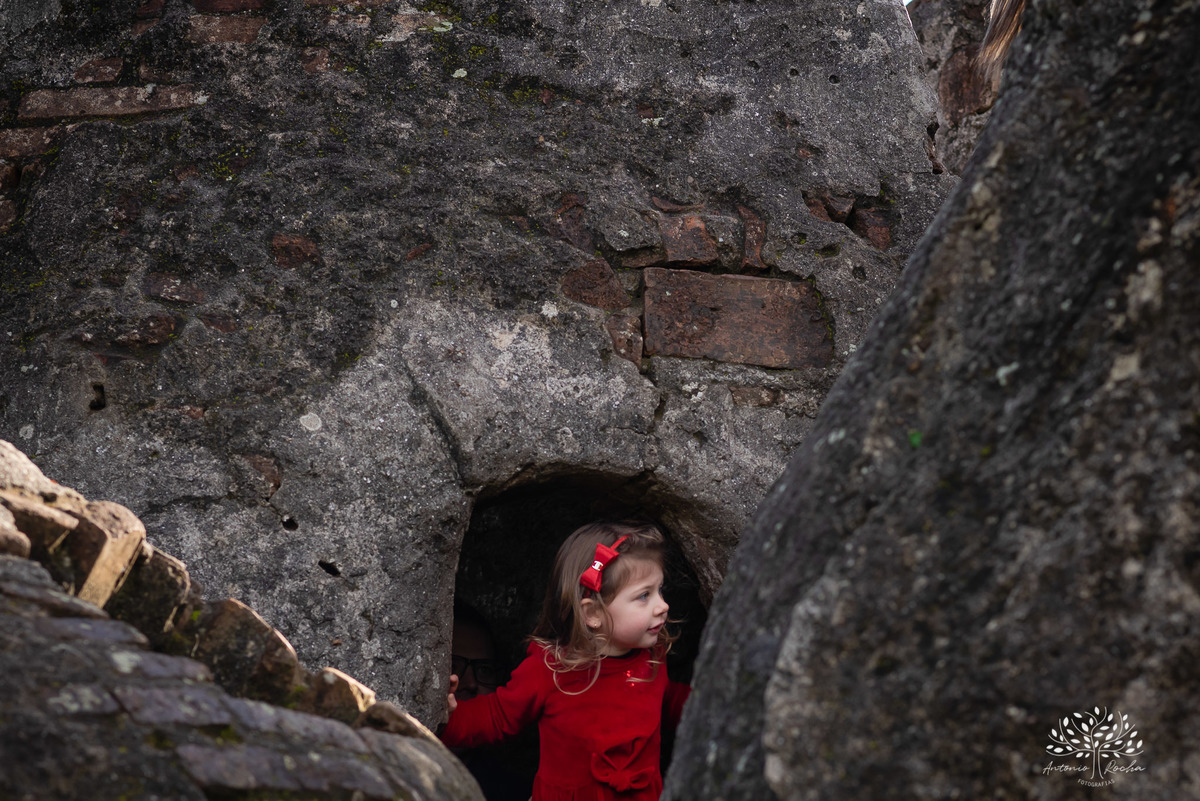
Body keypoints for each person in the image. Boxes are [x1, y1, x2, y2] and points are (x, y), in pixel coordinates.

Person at [441, 520, 691, 801]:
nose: (663, 605)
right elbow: (500, 715)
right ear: (593, 613)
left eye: (660, 590)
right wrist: (448, 718)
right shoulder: (552, 667)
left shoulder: (652, 658)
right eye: (644, 596)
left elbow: (664, 699)